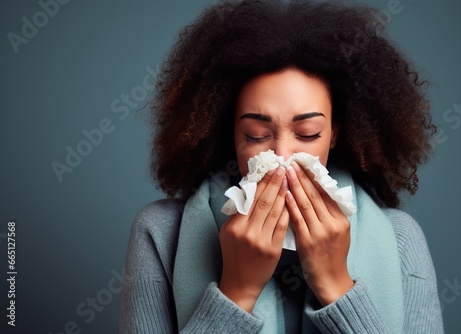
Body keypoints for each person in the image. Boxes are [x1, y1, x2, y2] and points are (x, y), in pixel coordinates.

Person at [119, 0, 444, 333]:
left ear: (334, 134)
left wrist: (336, 286)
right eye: (257, 135)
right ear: (230, 134)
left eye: (307, 134)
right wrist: (237, 290)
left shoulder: (400, 238)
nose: (283, 155)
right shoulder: (160, 232)